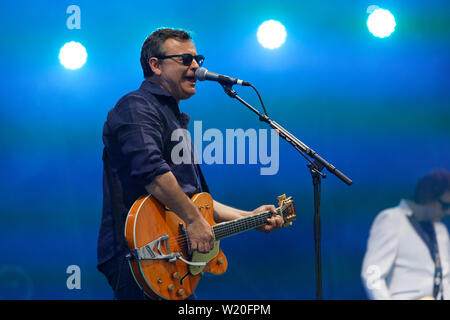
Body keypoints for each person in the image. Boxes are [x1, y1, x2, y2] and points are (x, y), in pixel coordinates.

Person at [97, 28, 284, 300]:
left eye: (198, 59)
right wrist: (194, 220)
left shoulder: (173, 119)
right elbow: (154, 173)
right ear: (155, 65)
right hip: (142, 254)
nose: (196, 66)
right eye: (185, 59)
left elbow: (191, 199)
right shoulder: (135, 106)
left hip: (169, 261)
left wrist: (249, 218)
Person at [361, 169, 450, 300]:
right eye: (445, 205)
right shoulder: (391, 219)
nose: (448, 212)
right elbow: (372, 274)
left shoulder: (441, 229)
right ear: (428, 197)